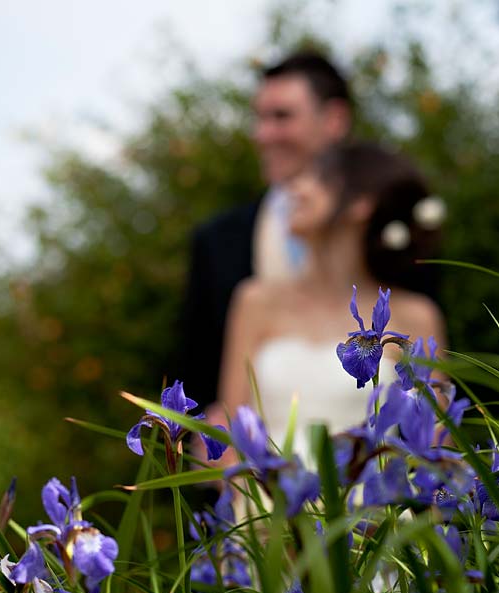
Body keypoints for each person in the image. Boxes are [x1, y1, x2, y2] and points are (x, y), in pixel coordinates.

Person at [210, 141, 446, 459]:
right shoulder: (255, 302)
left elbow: (437, 446)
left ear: (361, 203)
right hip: (270, 500)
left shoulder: (414, 317)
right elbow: (230, 433)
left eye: (317, 179)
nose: (297, 189)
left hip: (374, 503)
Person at [179, 51, 354, 408]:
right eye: (259, 118)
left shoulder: (384, 230)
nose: (263, 134)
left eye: (282, 117)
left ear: (334, 120)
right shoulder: (216, 240)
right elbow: (194, 373)